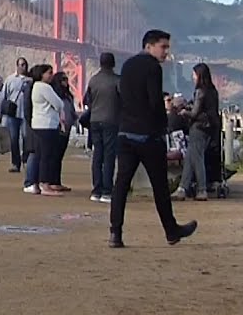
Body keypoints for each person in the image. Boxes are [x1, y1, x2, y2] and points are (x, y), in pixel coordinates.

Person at [109, 29, 198, 248]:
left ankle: (115, 233)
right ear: (149, 46)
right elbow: (154, 102)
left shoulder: (127, 65)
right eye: (163, 46)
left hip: (126, 133)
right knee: (159, 186)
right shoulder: (153, 67)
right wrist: (163, 125)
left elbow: (123, 95)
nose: (166, 52)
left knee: (121, 185)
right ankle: (171, 230)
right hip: (147, 135)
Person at [176, 62, 221, 201]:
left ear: (199, 75)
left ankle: (202, 189)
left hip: (198, 127)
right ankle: (182, 188)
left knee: (197, 158)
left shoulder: (200, 91)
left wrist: (184, 111)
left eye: (194, 74)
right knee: (190, 158)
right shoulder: (213, 91)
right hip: (210, 128)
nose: (192, 77)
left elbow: (195, 113)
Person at [85, 52, 121, 204]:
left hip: (95, 120)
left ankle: (96, 190)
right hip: (111, 121)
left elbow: (87, 100)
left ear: (100, 63)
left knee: (97, 155)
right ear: (113, 64)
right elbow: (124, 100)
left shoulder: (93, 80)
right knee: (109, 156)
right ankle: (107, 191)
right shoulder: (117, 80)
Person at [28, 64, 64, 196]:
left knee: (40, 155)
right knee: (46, 156)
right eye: (49, 73)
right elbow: (59, 104)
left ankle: (37, 183)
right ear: (41, 74)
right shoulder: (44, 87)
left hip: (38, 124)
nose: (51, 75)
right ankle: (45, 184)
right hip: (47, 125)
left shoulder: (35, 87)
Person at [1, 58, 33, 173]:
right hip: (12, 113)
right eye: (21, 65)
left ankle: (25, 161)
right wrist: (0, 114)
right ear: (17, 66)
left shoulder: (31, 80)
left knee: (26, 138)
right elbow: (3, 96)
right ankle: (15, 163)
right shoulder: (10, 79)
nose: (23, 67)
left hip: (26, 114)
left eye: (25, 64)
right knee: (13, 139)